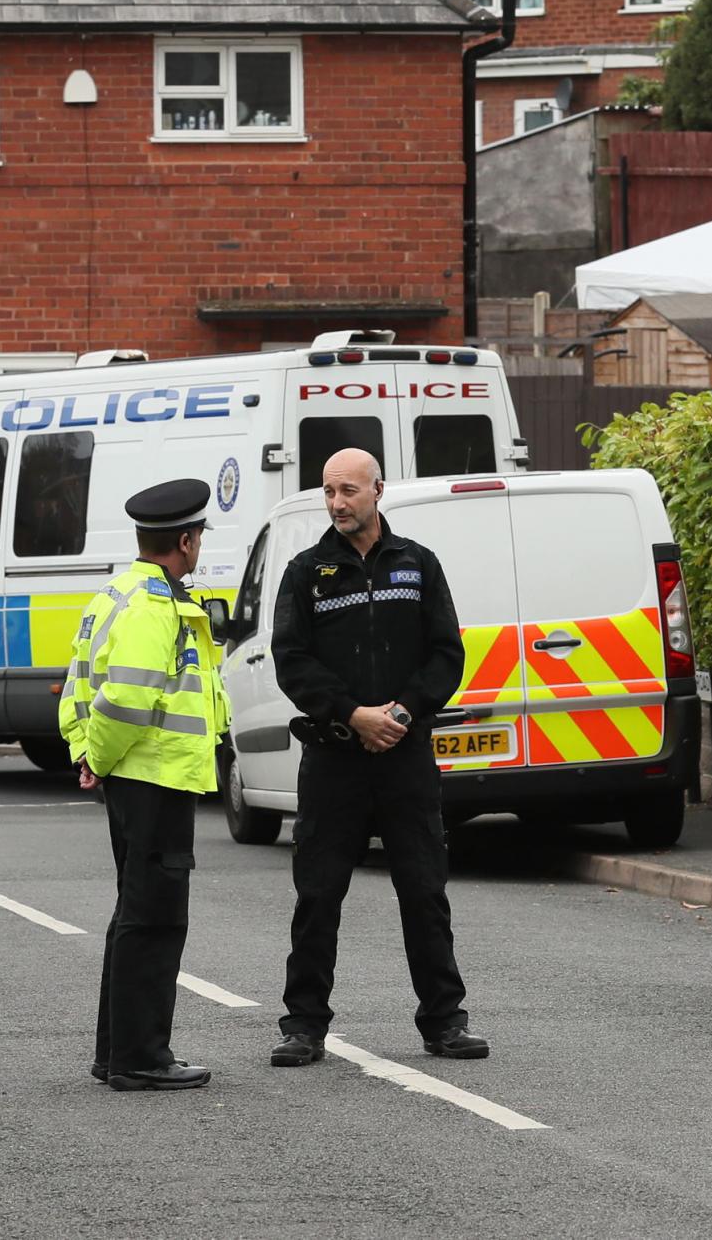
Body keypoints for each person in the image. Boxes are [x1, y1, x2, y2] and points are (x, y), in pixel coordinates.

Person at [267, 448, 488, 1067]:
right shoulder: (305, 572)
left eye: (348, 491)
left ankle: (444, 1022)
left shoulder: (418, 565)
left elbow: (446, 653)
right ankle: (304, 1026)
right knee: (318, 895)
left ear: (377, 492)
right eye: (328, 491)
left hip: (404, 756)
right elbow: (292, 659)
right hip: (335, 759)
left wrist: (402, 713)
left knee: (424, 891)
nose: (337, 502)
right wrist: (350, 714)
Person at [58, 478, 228, 1091]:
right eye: (199, 536)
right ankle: (140, 1057)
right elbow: (126, 696)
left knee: (135, 914)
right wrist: (99, 758)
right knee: (154, 919)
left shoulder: (117, 593)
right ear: (185, 540)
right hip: (154, 777)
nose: (200, 544)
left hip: (136, 775)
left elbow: (78, 685)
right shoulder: (154, 606)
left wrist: (89, 753)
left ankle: (118, 1053)